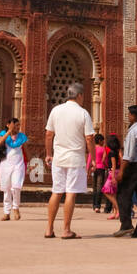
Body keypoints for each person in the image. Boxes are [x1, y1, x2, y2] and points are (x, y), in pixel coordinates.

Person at [45, 82, 94, 239]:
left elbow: (48, 134)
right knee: (70, 193)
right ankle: (66, 229)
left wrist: (48, 154)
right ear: (79, 95)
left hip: (58, 157)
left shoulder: (56, 110)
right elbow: (89, 138)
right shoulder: (83, 113)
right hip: (75, 158)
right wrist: (92, 157)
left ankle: (49, 228)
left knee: (57, 191)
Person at [113, 104, 137, 239]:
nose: (128, 116)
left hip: (133, 167)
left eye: (129, 114)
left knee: (123, 194)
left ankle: (126, 224)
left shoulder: (133, 133)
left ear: (134, 117)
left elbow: (128, 156)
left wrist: (121, 172)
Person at [0, 116, 28, 221]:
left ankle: (16, 208)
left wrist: (31, 162)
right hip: (6, 165)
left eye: (19, 125)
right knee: (7, 189)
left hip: (18, 165)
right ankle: (6, 212)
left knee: (16, 187)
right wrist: (9, 131)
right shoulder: (3, 134)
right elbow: (0, 142)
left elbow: (26, 150)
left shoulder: (22, 137)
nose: (18, 127)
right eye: (15, 125)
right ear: (8, 125)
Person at [87, 133, 109, 213]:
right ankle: (97, 206)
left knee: (94, 188)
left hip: (93, 169)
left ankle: (94, 205)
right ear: (100, 141)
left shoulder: (92, 149)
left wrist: (87, 171)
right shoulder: (103, 149)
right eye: (103, 140)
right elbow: (105, 160)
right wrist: (107, 167)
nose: (103, 142)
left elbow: (89, 160)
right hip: (101, 169)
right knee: (99, 187)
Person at [102, 135, 121, 219]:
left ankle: (118, 209)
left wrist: (112, 176)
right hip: (116, 171)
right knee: (113, 193)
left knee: (106, 190)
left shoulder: (112, 152)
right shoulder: (116, 151)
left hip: (113, 172)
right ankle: (115, 212)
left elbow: (113, 164)